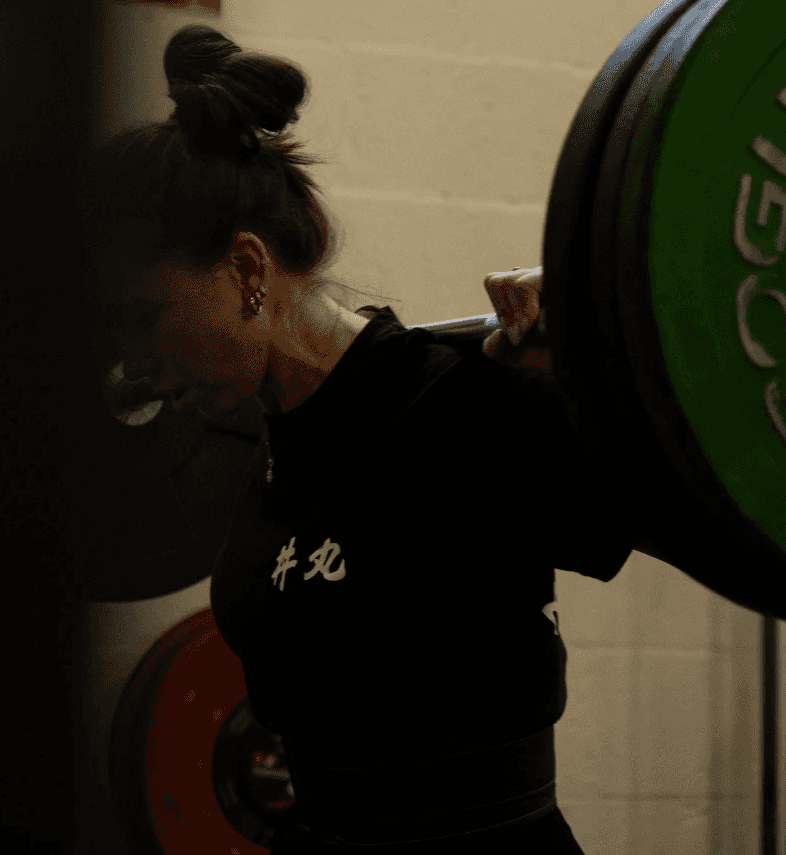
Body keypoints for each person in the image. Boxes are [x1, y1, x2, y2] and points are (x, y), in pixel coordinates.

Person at [87, 23, 648, 853]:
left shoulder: (464, 403)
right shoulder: (261, 453)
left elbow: (679, 508)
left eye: (145, 318)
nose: (133, 364)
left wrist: (600, 365)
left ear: (246, 269)